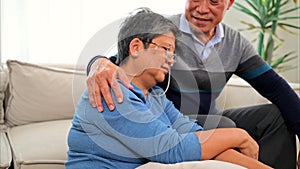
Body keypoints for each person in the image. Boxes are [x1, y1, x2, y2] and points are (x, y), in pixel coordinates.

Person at [86, 1, 300, 169]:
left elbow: (276, 88)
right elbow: (123, 60)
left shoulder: (236, 44)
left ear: (230, 3)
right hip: (166, 123)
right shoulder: (165, 33)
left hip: (203, 120)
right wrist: (97, 62)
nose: (202, 9)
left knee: (275, 116)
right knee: (224, 128)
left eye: (214, 1)